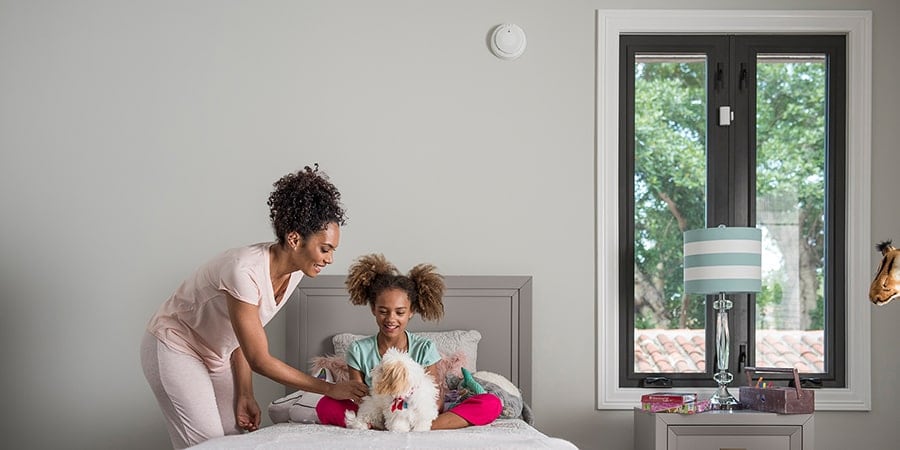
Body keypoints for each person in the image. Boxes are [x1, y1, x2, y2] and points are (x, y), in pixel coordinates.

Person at [140, 165, 369, 449]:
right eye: (325, 249)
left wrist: (245, 393)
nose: (330, 259)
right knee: (209, 445)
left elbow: (243, 336)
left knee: (233, 441)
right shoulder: (244, 270)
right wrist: (330, 389)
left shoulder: (295, 271)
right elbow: (259, 358)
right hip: (175, 346)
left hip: (217, 355)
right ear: (295, 240)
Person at [315, 253, 502, 430]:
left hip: (421, 414)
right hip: (380, 412)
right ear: (373, 308)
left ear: (411, 311)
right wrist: (390, 410)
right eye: (383, 311)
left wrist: (414, 416)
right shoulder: (358, 350)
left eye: (400, 312)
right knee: (325, 405)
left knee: (491, 403)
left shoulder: (425, 348)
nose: (391, 319)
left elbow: (435, 398)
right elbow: (359, 397)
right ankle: (386, 425)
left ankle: (425, 428)